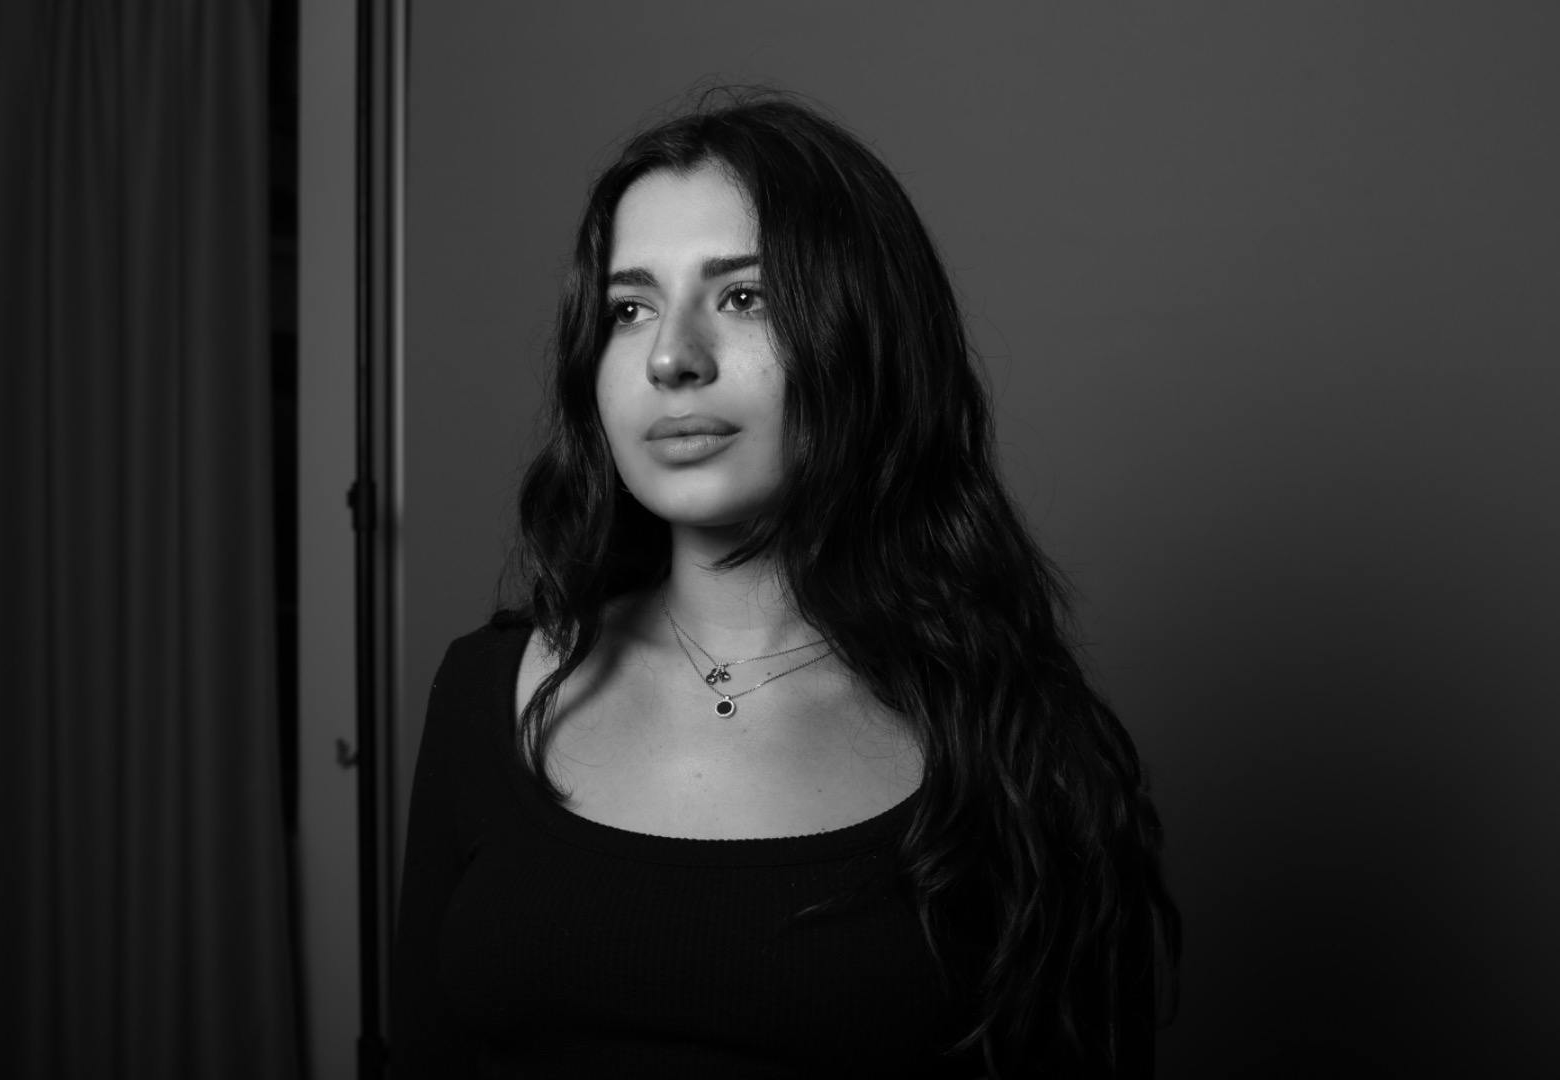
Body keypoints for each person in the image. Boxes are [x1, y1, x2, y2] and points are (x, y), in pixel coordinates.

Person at [392, 87, 1181, 1079]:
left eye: (744, 297)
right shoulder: (482, 691)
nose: (672, 357)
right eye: (630, 309)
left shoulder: (1025, 751)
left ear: (865, 335)